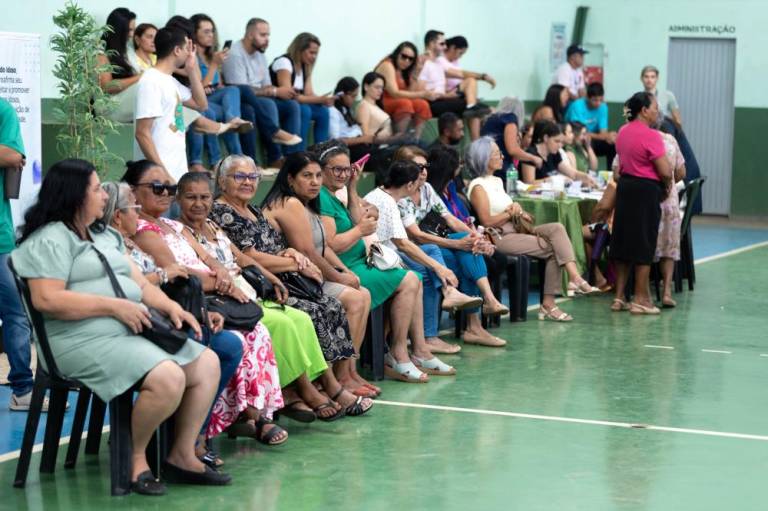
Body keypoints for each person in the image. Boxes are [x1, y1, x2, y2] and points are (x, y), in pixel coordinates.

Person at [12, 159, 229, 494]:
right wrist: (114, 306)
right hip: (78, 341)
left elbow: (139, 284)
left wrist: (172, 307)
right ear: (75, 196)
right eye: (97, 189)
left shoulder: (105, 237)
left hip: (126, 331)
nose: (104, 195)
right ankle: (134, 458)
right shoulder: (48, 240)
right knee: (168, 375)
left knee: (206, 363)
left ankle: (182, 455)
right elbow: (47, 300)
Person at [100, 181, 250, 463]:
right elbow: (129, 288)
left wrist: (199, 312)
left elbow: (152, 289)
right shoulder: (110, 247)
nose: (140, 213)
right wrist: (165, 276)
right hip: (136, 328)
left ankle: (195, 434)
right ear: (119, 215)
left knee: (229, 345)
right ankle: (170, 444)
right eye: (135, 207)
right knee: (199, 346)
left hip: (161, 319)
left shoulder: (129, 241)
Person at [210, 155, 378, 406]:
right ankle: (318, 386)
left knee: (329, 306)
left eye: (252, 177)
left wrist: (290, 254)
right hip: (262, 284)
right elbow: (250, 256)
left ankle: (327, 381)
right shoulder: (223, 212)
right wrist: (297, 262)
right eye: (239, 177)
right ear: (223, 183)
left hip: (282, 277)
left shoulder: (253, 209)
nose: (248, 182)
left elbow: (277, 247)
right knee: (317, 311)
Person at [316, 141, 454, 380]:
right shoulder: (321, 198)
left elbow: (357, 217)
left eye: (346, 169)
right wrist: (360, 230)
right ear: (323, 170)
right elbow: (331, 244)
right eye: (335, 170)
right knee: (410, 278)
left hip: (359, 258)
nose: (342, 174)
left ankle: (414, 350)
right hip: (345, 265)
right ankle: (398, 354)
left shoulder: (336, 193)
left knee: (414, 278)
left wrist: (352, 187)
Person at [466, 137, 598, 321]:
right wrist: (510, 213)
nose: (502, 156)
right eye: (497, 153)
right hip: (500, 236)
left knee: (557, 228)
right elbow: (487, 220)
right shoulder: (477, 186)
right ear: (484, 158)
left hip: (516, 227)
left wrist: (520, 212)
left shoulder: (497, 181)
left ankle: (575, 277)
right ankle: (550, 303)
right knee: (554, 249)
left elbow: (510, 210)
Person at [365, 155, 486, 353]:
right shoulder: (389, 202)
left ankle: (448, 295)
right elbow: (403, 243)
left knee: (431, 250)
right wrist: (438, 267)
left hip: (390, 251)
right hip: (381, 257)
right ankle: (427, 337)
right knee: (427, 274)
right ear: (410, 184)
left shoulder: (383, 194)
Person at [415, 144, 509, 346]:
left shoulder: (431, 190)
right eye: (419, 168)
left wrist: (476, 238)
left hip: (441, 242)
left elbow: (452, 219)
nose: (423, 172)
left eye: (424, 168)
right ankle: (479, 318)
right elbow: (417, 236)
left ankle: (479, 321)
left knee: (468, 253)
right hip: (423, 246)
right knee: (465, 257)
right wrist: (460, 242)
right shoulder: (405, 195)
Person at [609, 92, 672, 314]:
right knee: (644, 243)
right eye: (655, 107)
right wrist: (667, 185)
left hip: (625, 189)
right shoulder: (652, 135)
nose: (657, 111)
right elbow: (664, 170)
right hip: (646, 191)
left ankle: (619, 298)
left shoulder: (623, 132)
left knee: (624, 242)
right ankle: (641, 299)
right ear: (644, 110)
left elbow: (619, 167)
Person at [612, 121, 685, 308]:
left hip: (633, 197)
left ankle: (620, 297)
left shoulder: (627, 136)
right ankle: (661, 293)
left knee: (630, 246)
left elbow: (616, 172)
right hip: (664, 199)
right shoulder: (669, 141)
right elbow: (678, 171)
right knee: (666, 247)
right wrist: (667, 184)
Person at [220, 17, 302, 168]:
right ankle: (273, 155)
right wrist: (272, 91)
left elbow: (267, 87)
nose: (267, 39)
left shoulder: (260, 55)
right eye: (263, 35)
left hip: (259, 98)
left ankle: (292, 158)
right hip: (239, 101)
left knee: (292, 106)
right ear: (250, 35)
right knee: (262, 105)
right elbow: (239, 89)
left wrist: (272, 91)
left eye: (268, 35)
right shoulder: (235, 53)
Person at [134, 27, 208, 183]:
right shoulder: (151, 80)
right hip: (159, 178)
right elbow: (142, 133)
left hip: (177, 172)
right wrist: (163, 174)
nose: (189, 53)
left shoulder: (170, 81)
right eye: (186, 49)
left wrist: (191, 69)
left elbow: (201, 104)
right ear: (176, 50)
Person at [0, 97, 35, 411]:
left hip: (1, 240)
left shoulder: (2, 108)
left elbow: (12, 154)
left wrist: (6, 156)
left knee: (16, 314)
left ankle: (23, 390)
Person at [418, 30, 489, 140]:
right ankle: (476, 144)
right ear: (431, 44)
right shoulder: (422, 62)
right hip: (433, 103)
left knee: (474, 101)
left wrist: (482, 77)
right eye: (442, 44)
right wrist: (446, 96)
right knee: (476, 108)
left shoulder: (438, 62)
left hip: (443, 99)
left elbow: (460, 74)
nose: (445, 47)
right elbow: (421, 91)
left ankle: (477, 141)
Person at [270, 33, 331, 151]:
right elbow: (289, 95)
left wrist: (324, 100)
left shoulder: (305, 66)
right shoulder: (284, 62)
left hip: (296, 103)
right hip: (280, 104)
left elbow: (309, 94)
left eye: (316, 53)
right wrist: (320, 99)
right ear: (299, 50)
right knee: (304, 110)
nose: (314, 57)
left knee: (323, 111)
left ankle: (321, 152)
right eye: (311, 52)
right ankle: (298, 152)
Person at [374, 41, 432, 138]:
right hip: (381, 100)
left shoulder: (405, 69)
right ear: (397, 54)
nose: (406, 61)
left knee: (422, 104)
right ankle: (399, 139)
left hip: (396, 100)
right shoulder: (387, 65)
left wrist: (417, 71)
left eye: (410, 59)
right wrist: (422, 94)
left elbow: (409, 93)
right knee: (405, 103)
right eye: (404, 56)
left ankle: (416, 140)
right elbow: (394, 93)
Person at [98, 8, 141, 123]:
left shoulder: (127, 50)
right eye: (129, 30)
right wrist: (140, 77)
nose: (132, 35)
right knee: (148, 88)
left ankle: (179, 127)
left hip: (125, 101)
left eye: (133, 30)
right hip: (109, 107)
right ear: (118, 30)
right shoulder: (100, 53)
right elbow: (107, 87)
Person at [520, 121, 595, 185]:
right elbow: (528, 183)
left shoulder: (554, 154)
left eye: (561, 142)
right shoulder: (531, 154)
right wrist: (551, 180)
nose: (559, 145)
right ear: (546, 138)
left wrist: (587, 177)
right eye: (556, 141)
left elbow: (573, 174)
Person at [481, 96, 541, 174]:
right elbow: (512, 150)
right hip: (500, 166)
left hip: (485, 163)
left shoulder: (491, 118)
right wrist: (533, 158)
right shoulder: (510, 118)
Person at [565, 82, 617, 169]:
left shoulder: (603, 107)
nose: (598, 103)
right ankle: (587, 173)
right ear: (587, 98)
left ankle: (610, 175)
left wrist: (607, 137)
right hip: (576, 137)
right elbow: (578, 132)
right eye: (595, 100)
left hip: (592, 138)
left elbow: (603, 133)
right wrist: (604, 136)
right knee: (586, 140)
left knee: (612, 144)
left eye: (600, 100)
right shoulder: (577, 105)